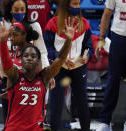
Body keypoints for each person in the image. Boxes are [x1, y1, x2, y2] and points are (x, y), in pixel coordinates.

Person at [0, 16, 76, 131]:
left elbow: (60, 60)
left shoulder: (44, 76)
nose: (29, 58)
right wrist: (3, 42)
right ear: (21, 60)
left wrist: (68, 41)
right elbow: (6, 63)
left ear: (38, 61)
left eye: (33, 56)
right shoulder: (15, 75)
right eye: (26, 56)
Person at [0, 0, 51, 122]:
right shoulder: (3, 27)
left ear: (26, 10)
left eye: (22, 10)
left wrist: (47, 72)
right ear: (10, 10)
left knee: (33, 115)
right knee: (9, 116)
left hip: (29, 77)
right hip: (8, 77)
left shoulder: (34, 26)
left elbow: (43, 52)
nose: (19, 13)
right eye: (16, 10)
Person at [44, 0, 94, 130]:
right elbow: (47, 48)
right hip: (59, 68)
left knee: (82, 104)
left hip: (78, 68)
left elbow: (89, 46)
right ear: (66, 5)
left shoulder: (84, 23)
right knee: (56, 105)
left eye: (78, 4)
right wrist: (60, 58)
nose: (77, 7)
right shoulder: (52, 23)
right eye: (74, 4)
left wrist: (86, 55)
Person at [95, 0, 126, 130]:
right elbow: (107, 13)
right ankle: (105, 121)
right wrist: (101, 39)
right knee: (113, 80)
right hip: (119, 38)